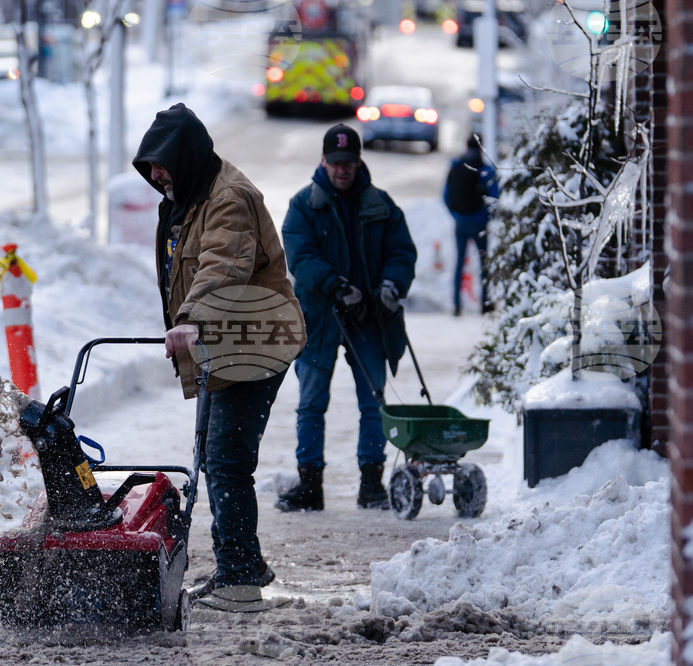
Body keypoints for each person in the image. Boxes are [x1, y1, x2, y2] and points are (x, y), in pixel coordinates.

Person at [133, 103, 306, 612]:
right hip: (226, 342)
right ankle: (242, 561)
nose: (155, 174)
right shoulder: (189, 195)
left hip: (255, 342)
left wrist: (191, 318)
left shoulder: (228, 197)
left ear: (185, 155)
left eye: (160, 163)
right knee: (215, 456)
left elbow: (222, 264)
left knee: (226, 461)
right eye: (149, 167)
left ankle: (240, 582)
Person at [276, 124, 417, 513]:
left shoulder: (382, 205)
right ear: (324, 160)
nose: (342, 169)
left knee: (374, 402)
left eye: (349, 162)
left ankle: (371, 484)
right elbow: (300, 256)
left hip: (369, 316)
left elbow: (402, 251)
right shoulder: (302, 205)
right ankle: (310, 484)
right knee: (311, 403)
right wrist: (337, 285)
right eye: (336, 162)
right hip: (320, 318)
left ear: (359, 162)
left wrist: (391, 285)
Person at [444, 136, 498, 316]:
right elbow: (494, 198)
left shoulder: (456, 166)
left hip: (460, 222)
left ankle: (456, 305)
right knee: (483, 264)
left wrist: (457, 215)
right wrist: (486, 217)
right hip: (480, 223)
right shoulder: (485, 170)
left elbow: (445, 195)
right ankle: (485, 303)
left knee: (459, 263)